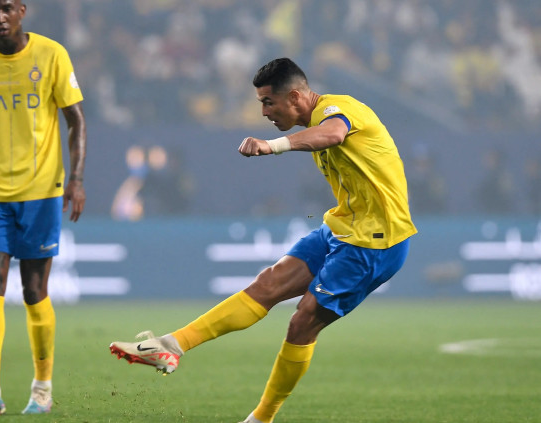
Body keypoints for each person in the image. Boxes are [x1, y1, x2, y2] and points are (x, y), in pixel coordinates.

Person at [109, 58, 416, 423]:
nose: (264, 112)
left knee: (303, 321)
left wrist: (273, 146)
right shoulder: (316, 119)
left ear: (296, 97)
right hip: (341, 227)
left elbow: (334, 133)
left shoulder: (338, 110)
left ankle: (261, 419)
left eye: (269, 102)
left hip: (376, 242)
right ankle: (171, 346)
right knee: (267, 284)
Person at [0, 0, 86, 416]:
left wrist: (76, 179)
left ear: (22, 11)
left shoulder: (51, 54)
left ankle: (42, 388)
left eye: (7, 8)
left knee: (34, 291)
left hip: (41, 192)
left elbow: (76, 120)